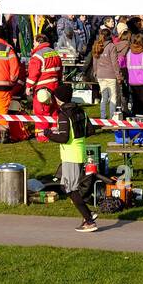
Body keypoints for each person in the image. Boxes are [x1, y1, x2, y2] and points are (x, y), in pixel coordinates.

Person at [50, 83, 101, 232]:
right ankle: (88, 215)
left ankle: (89, 218)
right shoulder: (81, 111)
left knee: (70, 189)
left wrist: (48, 133)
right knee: (70, 187)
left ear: (59, 99)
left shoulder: (63, 114)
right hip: (80, 152)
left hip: (70, 155)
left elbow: (64, 138)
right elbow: (90, 130)